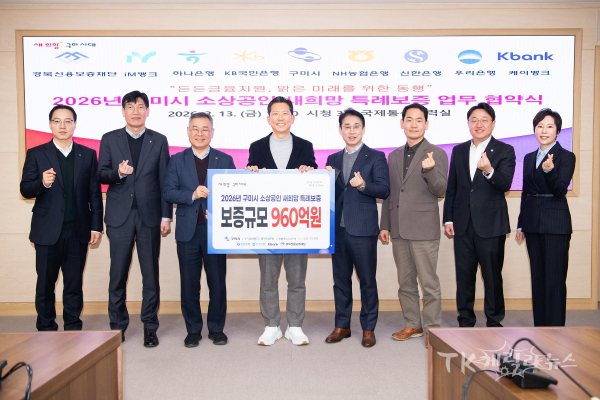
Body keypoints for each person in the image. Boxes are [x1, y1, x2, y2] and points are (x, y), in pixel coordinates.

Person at [98, 90, 172, 346]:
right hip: (119, 216)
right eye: (130, 107)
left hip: (150, 216)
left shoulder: (159, 140)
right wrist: (118, 173)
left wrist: (166, 215)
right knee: (117, 274)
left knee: (150, 275)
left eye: (140, 106)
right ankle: (117, 326)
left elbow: (164, 180)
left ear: (147, 111)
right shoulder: (109, 139)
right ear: (123, 111)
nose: (136, 111)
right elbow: (101, 174)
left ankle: (150, 326)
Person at [20, 105, 103, 331]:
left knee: (74, 284)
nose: (62, 126)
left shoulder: (88, 154)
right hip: (47, 231)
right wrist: (42, 183)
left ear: (75, 124)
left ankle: (73, 326)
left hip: (78, 230)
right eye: (57, 121)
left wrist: (96, 227)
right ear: (50, 125)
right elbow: (25, 189)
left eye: (68, 121)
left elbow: (94, 194)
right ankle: (46, 327)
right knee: (45, 284)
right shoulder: (36, 153)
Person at [246, 96, 317, 346]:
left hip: (297, 224)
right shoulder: (256, 146)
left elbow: (315, 179)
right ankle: (272, 326)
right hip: (267, 224)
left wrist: (311, 172)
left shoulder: (305, 146)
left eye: (285, 113)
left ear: (292, 117)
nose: (280, 118)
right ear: (268, 119)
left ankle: (295, 326)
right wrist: (251, 173)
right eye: (275, 113)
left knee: (296, 279)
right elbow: (250, 181)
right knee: (268, 279)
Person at [163, 112, 235, 347]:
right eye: (195, 128)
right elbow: (168, 192)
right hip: (188, 232)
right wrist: (192, 195)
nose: (200, 133)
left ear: (212, 133)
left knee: (217, 283)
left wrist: (217, 209)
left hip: (216, 232)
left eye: (205, 129)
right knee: (189, 284)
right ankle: (193, 329)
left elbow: (234, 193)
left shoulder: (225, 160)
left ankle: (216, 328)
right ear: (188, 131)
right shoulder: (177, 160)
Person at [379, 103, 447, 347]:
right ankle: (413, 324)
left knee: (429, 284)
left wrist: (430, 171)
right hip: (398, 228)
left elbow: (441, 190)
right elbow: (390, 192)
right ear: (402, 123)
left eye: (419, 120)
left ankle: (433, 329)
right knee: (405, 283)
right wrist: (385, 224)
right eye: (409, 120)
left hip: (424, 228)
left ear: (426, 124)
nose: (414, 124)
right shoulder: (394, 155)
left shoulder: (437, 153)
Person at [443, 102, 515, 327]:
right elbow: (452, 187)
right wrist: (448, 218)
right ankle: (466, 319)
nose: (479, 124)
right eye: (474, 120)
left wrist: (489, 171)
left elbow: (505, 184)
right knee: (464, 276)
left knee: (492, 276)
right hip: (463, 224)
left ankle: (494, 321)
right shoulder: (459, 150)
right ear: (468, 124)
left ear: (493, 123)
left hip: (491, 224)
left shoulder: (505, 150)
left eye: (484, 120)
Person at [324, 108, 390, 347]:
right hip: (338, 231)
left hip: (363, 229)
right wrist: (324, 180)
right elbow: (329, 194)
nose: (351, 131)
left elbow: (384, 190)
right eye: (347, 127)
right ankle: (342, 325)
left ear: (363, 129)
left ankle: (368, 328)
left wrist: (363, 186)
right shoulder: (332, 159)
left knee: (367, 281)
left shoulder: (376, 157)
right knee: (340, 281)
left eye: (356, 126)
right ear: (340, 130)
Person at [516, 109, 575, 326]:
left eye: (549, 126)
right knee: (538, 279)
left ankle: (556, 330)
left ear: (558, 131)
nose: (544, 131)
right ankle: (540, 328)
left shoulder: (566, 156)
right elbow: (525, 192)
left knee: (555, 280)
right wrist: (521, 224)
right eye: (540, 126)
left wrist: (550, 171)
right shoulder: (529, 157)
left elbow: (560, 190)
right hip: (532, 223)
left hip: (556, 224)